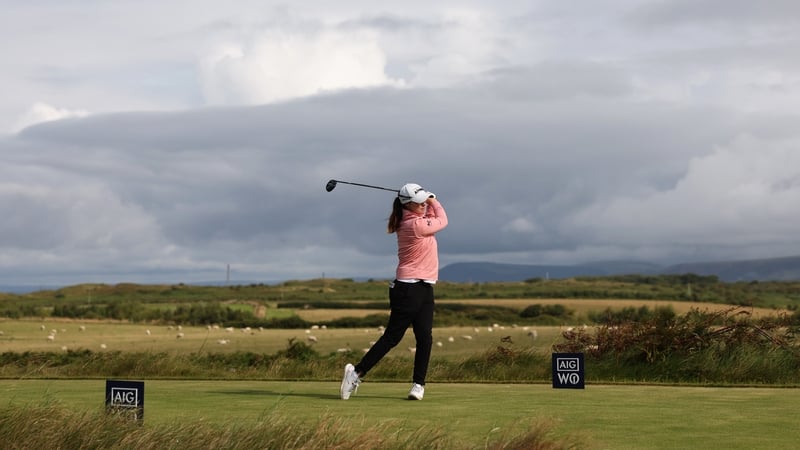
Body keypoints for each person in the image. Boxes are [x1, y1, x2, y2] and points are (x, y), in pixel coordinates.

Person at [340, 182, 448, 400]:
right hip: (408, 288)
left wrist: (427, 200)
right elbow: (442, 220)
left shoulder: (414, 219)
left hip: (424, 286)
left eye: (424, 202)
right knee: (392, 337)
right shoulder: (414, 225)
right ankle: (355, 373)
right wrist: (434, 200)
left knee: (425, 338)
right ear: (408, 205)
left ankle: (418, 385)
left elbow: (431, 216)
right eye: (419, 203)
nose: (424, 205)